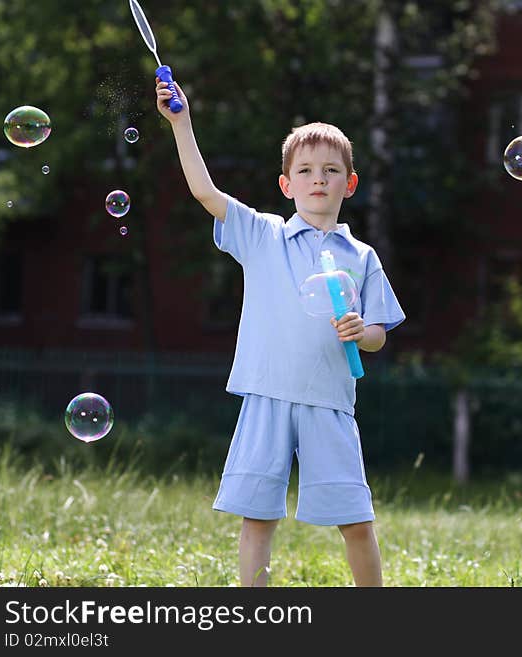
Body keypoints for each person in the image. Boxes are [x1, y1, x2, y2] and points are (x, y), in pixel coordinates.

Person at [155, 77, 406, 587]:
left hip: (330, 402)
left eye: (331, 171)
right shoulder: (263, 235)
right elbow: (205, 192)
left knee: (356, 520)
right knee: (258, 517)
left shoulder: (362, 257)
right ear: (286, 185)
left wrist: (363, 331)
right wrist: (181, 124)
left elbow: (380, 334)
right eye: (306, 171)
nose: (319, 179)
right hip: (266, 395)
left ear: (349, 184)